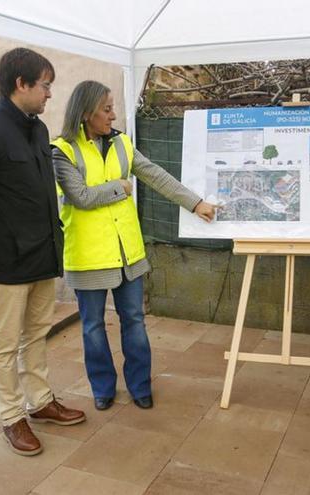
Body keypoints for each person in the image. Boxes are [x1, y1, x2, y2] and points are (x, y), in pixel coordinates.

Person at [0, 48, 85, 457]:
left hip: (43, 252)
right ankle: (12, 416)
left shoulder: (38, 129)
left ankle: (40, 402)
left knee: (36, 335)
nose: (49, 94)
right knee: (6, 342)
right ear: (20, 84)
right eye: (44, 85)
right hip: (8, 260)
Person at [51, 80, 217, 411]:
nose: (114, 115)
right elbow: (80, 198)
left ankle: (140, 385)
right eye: (107, 109)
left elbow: (156, 175)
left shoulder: (123, 144)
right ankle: (102, 388)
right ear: (86, 114)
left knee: (135, 322)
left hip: (128, 253)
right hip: (88, 256)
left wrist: (195, 203)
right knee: (93, 327)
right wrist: (120, 187)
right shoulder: (62, 151)